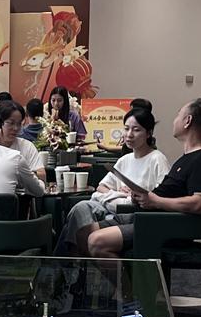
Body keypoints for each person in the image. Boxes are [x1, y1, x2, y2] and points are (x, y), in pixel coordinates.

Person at [87, 99, 201, 258]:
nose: (174, 120)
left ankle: (134, 275)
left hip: (163, 225)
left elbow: (199, 203)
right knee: (83, 232)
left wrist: (155, 201)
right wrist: (143, 197)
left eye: (178, 115)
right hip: (149, 216)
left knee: (96, 241)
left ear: (187, 121)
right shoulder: (187, 158)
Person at [56, 107, 171, 255]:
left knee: (74, 224)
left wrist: (132, 195)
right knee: (81, 208)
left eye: (136, 130)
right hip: (111, 206)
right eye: (126, 129)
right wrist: (119, 194)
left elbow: (162, 195)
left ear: (148, 133)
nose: (129, 134)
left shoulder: (157, 159)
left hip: (132, 212)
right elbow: (101, 187)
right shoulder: (125, 160)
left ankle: (75, 261)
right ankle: (78, 259)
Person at [0, 100, 45, 180]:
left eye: (19, 124)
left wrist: (23, 173)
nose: (16, 128)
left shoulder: (27, 146)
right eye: (11, 123)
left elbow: (42, 175)